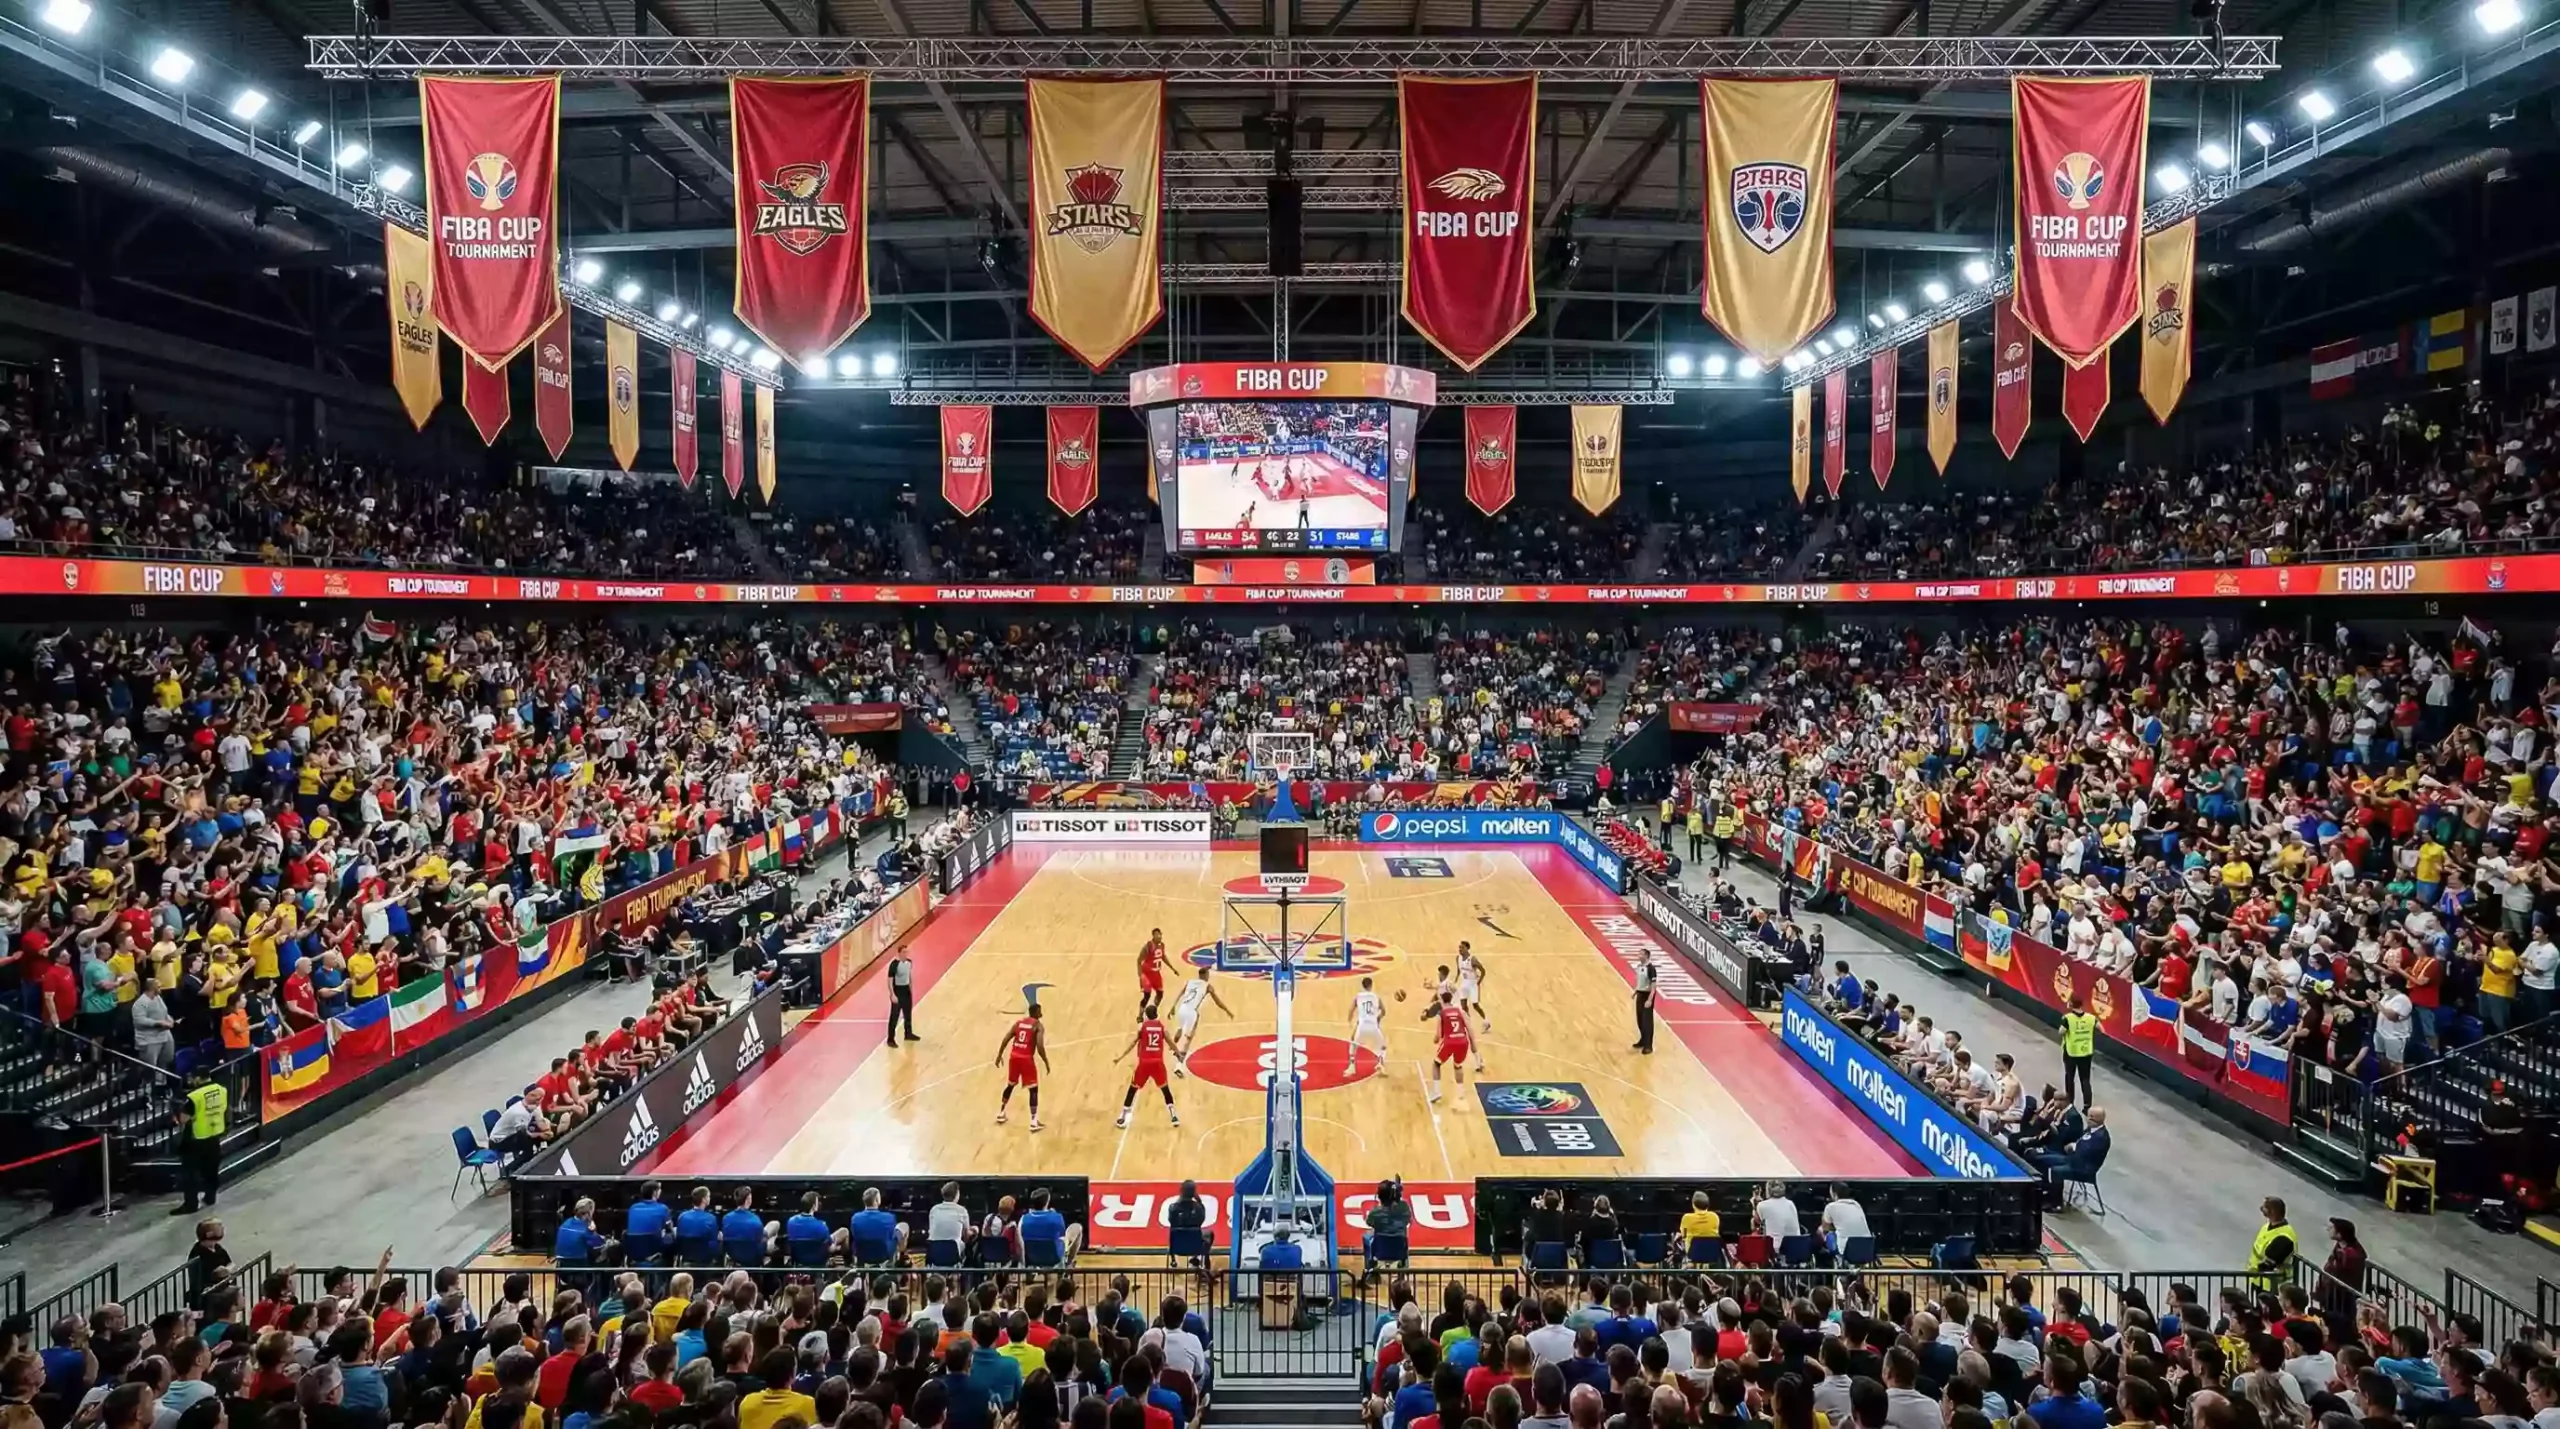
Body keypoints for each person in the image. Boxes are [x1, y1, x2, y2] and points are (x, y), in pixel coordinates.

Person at [172, 1066, 226, 1215]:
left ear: (198, 1078)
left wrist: (176, 1113)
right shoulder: (222, 1089)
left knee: (190, 1173)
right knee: (211, 1170)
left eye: (192, 1078)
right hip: (214, 1135)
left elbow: (183, 1119)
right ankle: (210, 1197)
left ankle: (190, 1205)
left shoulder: (195, 1096)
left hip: (196, 1138)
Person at [1114, 1008, 1179, 1129]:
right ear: (1156, 1014)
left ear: (1147, 1016)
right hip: (1158, 1063)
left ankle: (1122, 1116)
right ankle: (1173, 1116)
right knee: (1165, 1089)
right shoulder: (1161, 1027)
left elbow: (1133, 1043)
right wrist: (1178, 1053)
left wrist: (1120, 1057)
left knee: (1133, 1089)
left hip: (1144, 1063)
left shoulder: (1143, 1027)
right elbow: (1170, 1042)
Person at [995, 1003, 1050, 1132]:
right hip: (1026, 1059)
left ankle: (1001, 1112)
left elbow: (1006, 1038)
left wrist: (999, 1055)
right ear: (1036, 1013)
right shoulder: (1037, 1025)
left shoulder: (1019, 1023)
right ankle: (1033, 1121)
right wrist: (1046, 1061)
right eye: (1040, 1011)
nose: (1041, 1013)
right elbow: (1040, 1046)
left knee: (1010, 1085)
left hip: (1014, 1057)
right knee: (1033, 1089)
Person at [1170, 967, 1232, 1067]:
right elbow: (1217, 1002)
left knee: (1180, 1030)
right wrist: (1227, 1011)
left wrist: (1173, 1006)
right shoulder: (1208, 986)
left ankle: (1173, 1045)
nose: (1208, 976)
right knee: (1188, 1038)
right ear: (1204, 975)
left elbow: (1180, 993)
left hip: (1181, 1008)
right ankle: (1179, 1064)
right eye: (1207, 974)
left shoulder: (1190, 982)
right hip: (1191, 1013)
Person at [1422, 990, 1475, 1103]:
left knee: (1436, 1064)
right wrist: (1473, 1045)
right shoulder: (1460, 1011)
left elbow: (1438, 1036)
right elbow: (1470, 1029)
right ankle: (1460, 1094)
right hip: (1463, 1041)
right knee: (1458, 1065)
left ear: (1441, 1000)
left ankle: (1437, 1092)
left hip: (1450, 1042)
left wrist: (1435, 1040)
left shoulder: (1441, 1013)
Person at [2059, 995, 2097, 1108]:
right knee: (2085, 1079)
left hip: (2071, 1052)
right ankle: (2087, 1105)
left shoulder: (2067, 1018)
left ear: (2070, 1004)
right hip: (2086, 1052)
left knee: (2070, 1077)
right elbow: (2101, 1028)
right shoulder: (2091, 1018)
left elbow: (2061, 1032)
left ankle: (2070, 1102)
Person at [1347, 976, 1390, 1073]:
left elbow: (1351, 1010)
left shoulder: (1358, 997)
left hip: (1362, 1026)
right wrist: (1378, 1018)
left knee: (1353, 1043)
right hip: (1374, 1026)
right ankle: (1380, 1064)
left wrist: (1349, 1021)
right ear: (1371, 986)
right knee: (1382, 1045)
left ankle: (1352, 1066)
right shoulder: (1376, 997)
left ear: (1362, 986)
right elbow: (1383, 1011)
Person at [886, 949, 918, 1047]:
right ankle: (890, 1039)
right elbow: (890, 980)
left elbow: (909, 976)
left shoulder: (909, 963)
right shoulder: (894, 965)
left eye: (906, 952)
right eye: (903, 952)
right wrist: (892, 994)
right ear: (899, 953)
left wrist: (911, 989)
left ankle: (908, 1033)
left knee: (908, 1014)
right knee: (894, 1016)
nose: (905, 954)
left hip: (906, 991)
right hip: (897, 991)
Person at [1632, 953, 1658, 1055]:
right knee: (1640, 1019)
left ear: (1646, 956)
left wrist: (1650, 1000)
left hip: (1647, 996)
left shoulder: (1651, 969)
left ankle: (1648, 1046)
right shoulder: (1639, 967)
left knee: (1647, 1021)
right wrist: (1635, 992)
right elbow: (1640, 982)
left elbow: (1653, 986)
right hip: (1640, 994)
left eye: (1641, 954)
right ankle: (1643, 1040)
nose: (1638, 955)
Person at [1136, 930, 1167, 1015]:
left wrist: (1172, 968)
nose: (1159, 936)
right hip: (1147, 974)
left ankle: (1152, 1011)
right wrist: (1140, 975)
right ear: (1153, 936)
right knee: (1147, 996)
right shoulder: (1148, 946)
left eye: (1160, 934)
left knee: (1160, 994)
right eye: (1157, 935)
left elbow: (1163, 956)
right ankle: (1140, 1015)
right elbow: (1139, 960)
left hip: (1156, 974)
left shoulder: (1162, 945)